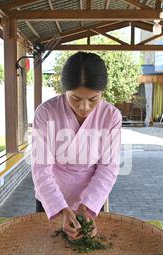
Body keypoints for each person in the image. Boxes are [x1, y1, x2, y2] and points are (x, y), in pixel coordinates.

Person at [31, 51, 122, 241]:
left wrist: (87, 206)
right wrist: (61, 208)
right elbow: (41, 168)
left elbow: (108, 167)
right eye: (76, 98)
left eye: (93, 99)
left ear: (102, 92)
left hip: (91, 197)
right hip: (52, 196)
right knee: (49, 251)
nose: (84, 107)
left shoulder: (111, 116)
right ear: (64, 90)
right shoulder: (45, 113)